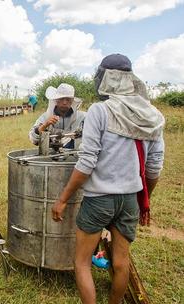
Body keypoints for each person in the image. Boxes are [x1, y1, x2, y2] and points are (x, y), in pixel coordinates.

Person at [51, 54, 165, 304]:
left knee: (82, 262)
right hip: (129, 200)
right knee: (121, 262)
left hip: (99, 199)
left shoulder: (100, 111)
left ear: (104, 79)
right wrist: (141, 200)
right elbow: (154, 168)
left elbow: (87, 162)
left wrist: (62, 199)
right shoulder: (152, 115)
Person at [29, 83, 85, 149]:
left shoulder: (83, 117)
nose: (64, 102)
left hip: (75, 157)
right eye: (61, 99)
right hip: (51, 157)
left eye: (68, 99)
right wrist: (45, 125)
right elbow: (33, 139)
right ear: (56, 100)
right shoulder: (45, 117)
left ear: (72, 101)